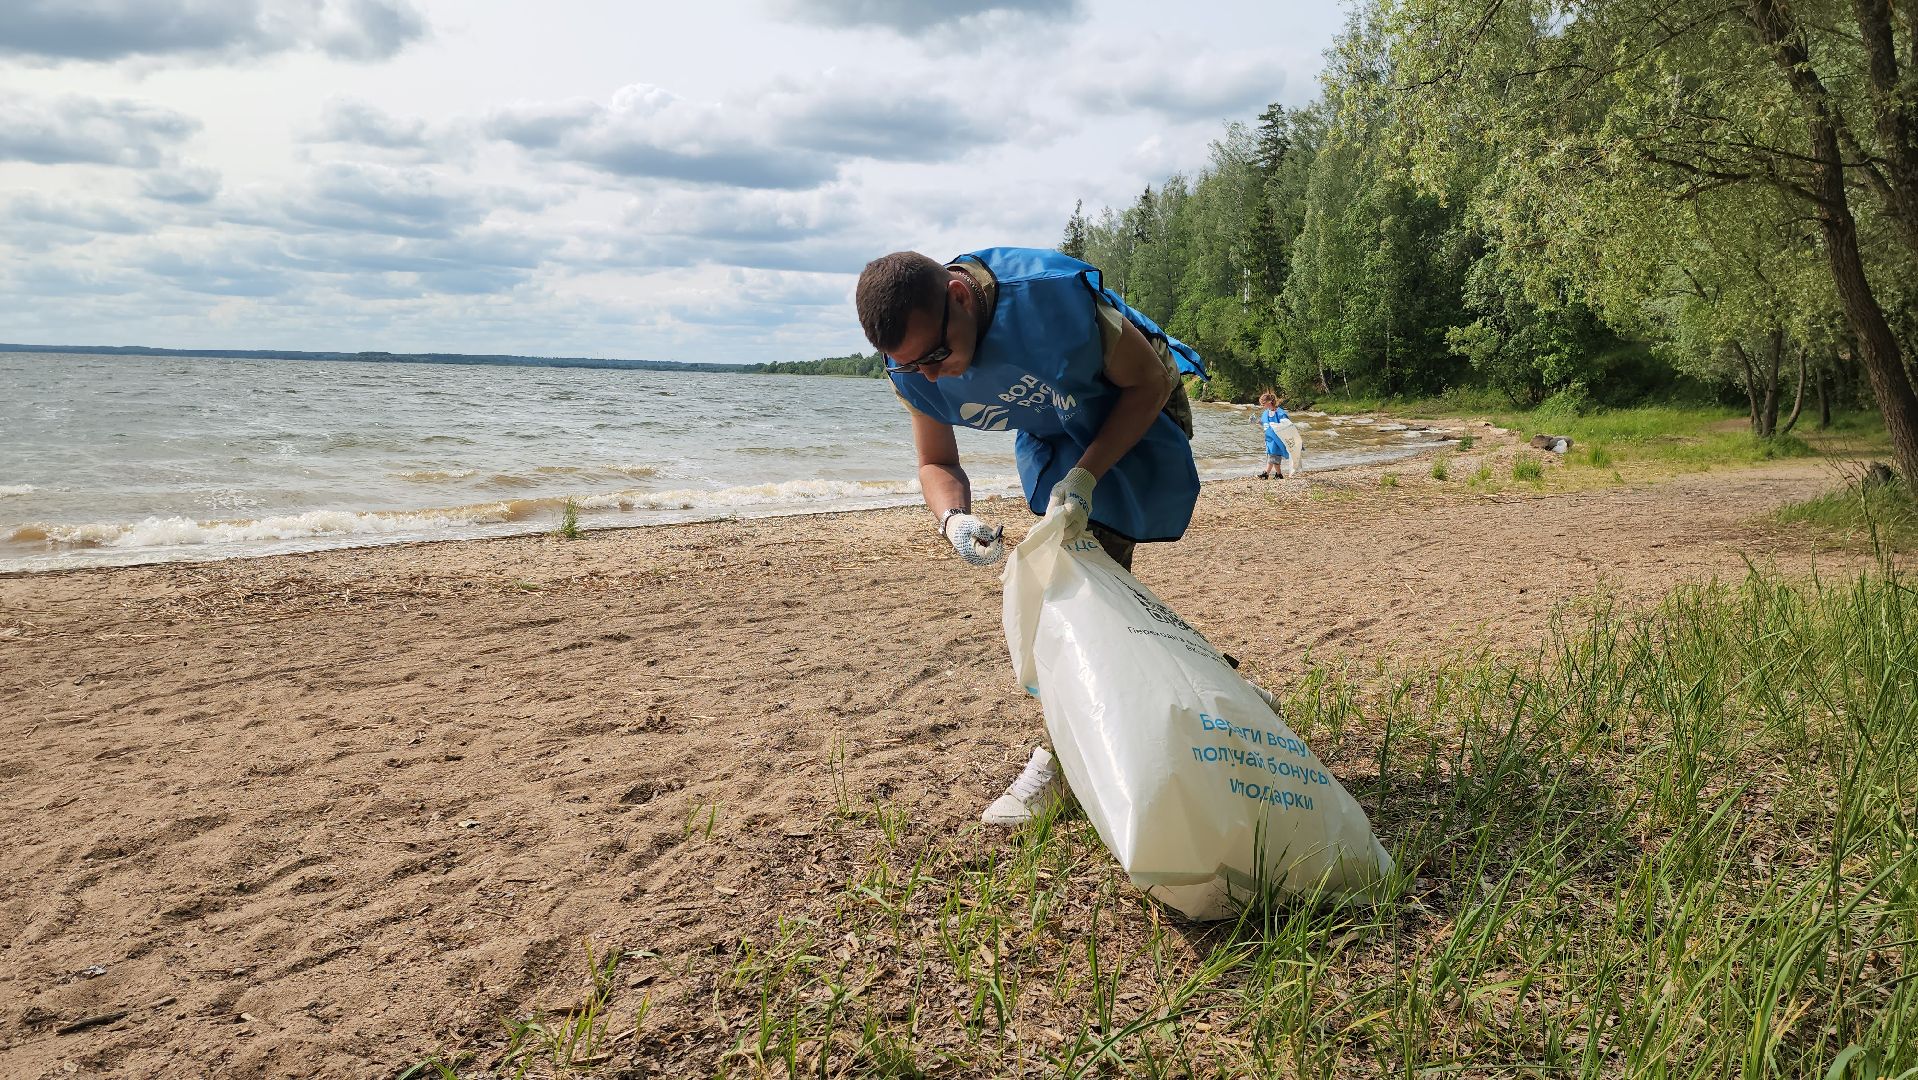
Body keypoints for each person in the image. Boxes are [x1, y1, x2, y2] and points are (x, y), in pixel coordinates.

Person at [855, 247, 1206, 825]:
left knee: (1075, 587)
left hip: (1136, 404)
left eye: (937, 355)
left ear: (960, 297)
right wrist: (952, 519)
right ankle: (1210, 692)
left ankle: (1062, 763)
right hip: (1055, 424)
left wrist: (1087, 476)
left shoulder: (1046, 300)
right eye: (914, 366)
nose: (933, 375)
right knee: (1096, 589)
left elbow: (1146, 384)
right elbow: (936, 461)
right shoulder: (917, 363)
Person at [1254, 390, 1291, 479]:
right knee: (1271, 456)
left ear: (1270, 402)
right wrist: (1257, 421)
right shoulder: (1266, 413)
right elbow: (1265, 423)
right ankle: (1272, 474)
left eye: (1263, 403)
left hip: (1277, 439)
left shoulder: (1280, 412)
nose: (1262, 406)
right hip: (1269, 438)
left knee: (1274, 456)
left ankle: (1271, 474)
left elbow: (1286, 424)